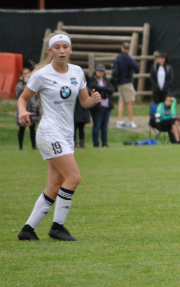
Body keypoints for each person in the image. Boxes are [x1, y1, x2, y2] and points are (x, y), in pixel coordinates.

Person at [16, 31, 101, 241]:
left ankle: (27, 230)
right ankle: (57, 227)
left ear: (70, 49)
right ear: (50, 51)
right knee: (73, 177)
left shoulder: (77, 71)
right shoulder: (41, 75)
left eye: (65, 47)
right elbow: (23, 98)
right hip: (49, 132)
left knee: (55, 185)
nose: (62, 51)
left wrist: (93, 99)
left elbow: (84, 102)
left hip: (66, 134)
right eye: (57, 47)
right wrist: (22, 111)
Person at [88, 64, 114, 148]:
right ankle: (96, 143)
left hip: (106, 105)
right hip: (97, 107)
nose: (100, 73)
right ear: (95, 71)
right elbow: (93, 87)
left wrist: (104, 89)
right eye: (99, 71)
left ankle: (104, 143)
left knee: (104, 126)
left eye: (102, 71)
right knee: (97, 125)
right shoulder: (92, 80)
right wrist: (104, 89)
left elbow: (111, 90)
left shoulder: (106, 80)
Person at [114, 42, 140, 129]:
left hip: (119, 82)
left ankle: (120, 120)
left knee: (122, 101)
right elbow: (137, 68)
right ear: (128, 49)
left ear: (122, 48)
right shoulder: (127, 58)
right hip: (127, 82)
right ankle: (131, 121)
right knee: (130, 101)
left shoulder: (117, 57)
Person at [16, 67, 40, 150]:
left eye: (28, 73)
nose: (26, 75)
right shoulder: (19, 85)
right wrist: (21, 90)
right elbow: (18, 98)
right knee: (21, 129)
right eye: (24, 73)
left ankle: (33, 145)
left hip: (32, 109)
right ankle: (20, 146)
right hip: (22, 110)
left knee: (33, 128)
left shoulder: (34, 83)